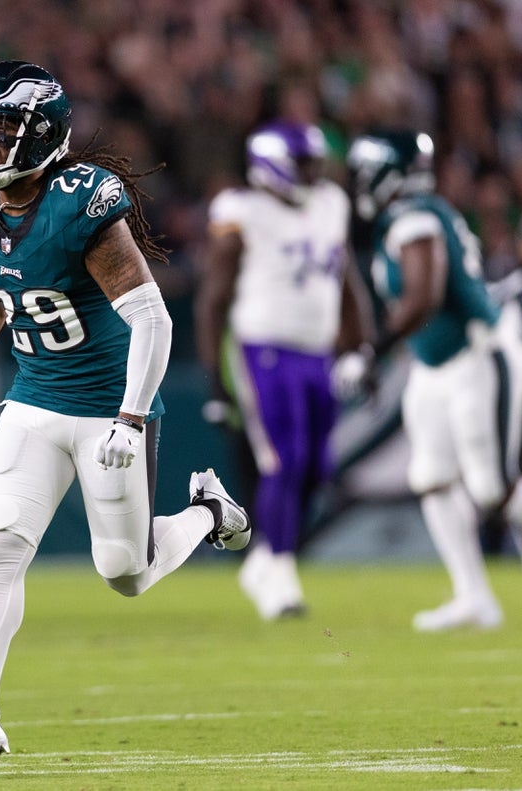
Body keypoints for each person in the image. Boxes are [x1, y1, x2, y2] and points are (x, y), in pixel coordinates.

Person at [0, 60, 251, 764]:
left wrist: (131, 419)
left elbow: (153, 319)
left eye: (1, 128)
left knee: (124, 572)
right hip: (33, 400)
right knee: (0, 548)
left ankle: (208, 513)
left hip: (106, 408)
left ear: (42, 133)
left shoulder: (82, 202)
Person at [195, 120, 375, 621]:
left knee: (318, 466)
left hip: (317, 353)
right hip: (262, 350)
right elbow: (213, 300)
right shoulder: (242, 210)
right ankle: (276, 570)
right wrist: (215, 377)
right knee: (285, 460)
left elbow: (345, 283)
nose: (314, 172)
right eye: (304, 163)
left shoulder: (329, 204)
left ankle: (267, 558)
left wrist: (360, 346)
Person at [346, 129, 522, 631]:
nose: (359, 181)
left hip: (476, 355)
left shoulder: (414, 216)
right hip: (433, 365)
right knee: (432, 477)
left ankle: (474, 594)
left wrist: (370, 353)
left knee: (492, 488)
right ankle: (473, 597)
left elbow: (424, 296)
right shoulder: (404, 216)